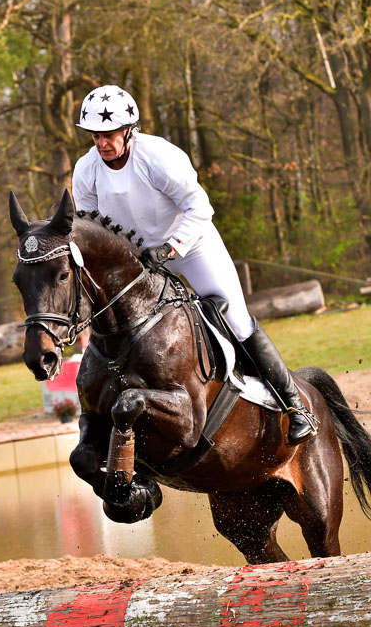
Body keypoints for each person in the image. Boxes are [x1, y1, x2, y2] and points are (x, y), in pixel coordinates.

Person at [72, 84, 317, 445]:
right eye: (95, 136)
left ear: (127, 130)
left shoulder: (158, 157)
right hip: (141, 263)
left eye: (108, 134)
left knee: (235, 318)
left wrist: (171, 247)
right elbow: (91, 229)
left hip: (192, 246)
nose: (102, 143)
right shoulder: (86, 170)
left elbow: (200, 206)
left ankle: (295, 407)